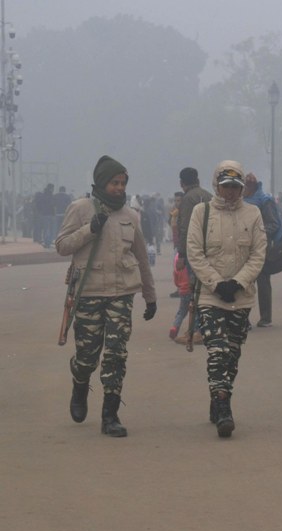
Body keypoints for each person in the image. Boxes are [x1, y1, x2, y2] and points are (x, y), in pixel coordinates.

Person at [55, 155, 157, 437]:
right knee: (88, 356)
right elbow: (62, 246)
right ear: (101, 182)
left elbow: (141, 257)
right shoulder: (80, 209)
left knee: (116, 354)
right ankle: (79, 382)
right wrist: (90, 229)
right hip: (88, 292)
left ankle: (110, 415)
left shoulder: (130, 216)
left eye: (123, 183)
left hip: (121, 294)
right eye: (114, 182)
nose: (119, 188)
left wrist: (150, 296)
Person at [186, 160, 267, 437]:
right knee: (217, 351)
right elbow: (194, 252)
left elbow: (258, 254)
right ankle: (223, 408)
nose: (230, 192)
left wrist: (239, 282)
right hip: (211, 296)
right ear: (216, 186)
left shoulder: (253, 214)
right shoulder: (202, 212)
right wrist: (217, 283)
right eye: (225, 186)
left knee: (232, 356)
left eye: (235, 187)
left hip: (241, 297)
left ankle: (219, 394)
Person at [176, 167, 213, 340]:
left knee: (195, 290)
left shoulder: (186, 199)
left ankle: (197, 329)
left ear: (182, 183)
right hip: (212, 249)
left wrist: (181, 255)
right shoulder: (209, 196)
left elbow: (184, 229)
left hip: (194, 250)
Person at [243, 173, 282, 328]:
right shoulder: (240, 201)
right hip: (243, 247)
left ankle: (265, 317)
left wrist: (256, 232)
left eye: (245, 186)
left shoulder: (264, 201)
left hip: (261, 247)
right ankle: (243, 318)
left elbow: (273, 224)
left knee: (263, 282)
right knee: (244, 283)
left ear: (252, 186)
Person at [169, 252, 192, 340]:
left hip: (182, 292)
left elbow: (176, 283)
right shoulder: (189, 269)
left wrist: (180, 287)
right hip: (191, 291)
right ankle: (193, 330)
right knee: (194, 312)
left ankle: (175, 327)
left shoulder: (176, 270)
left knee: (181, 312)